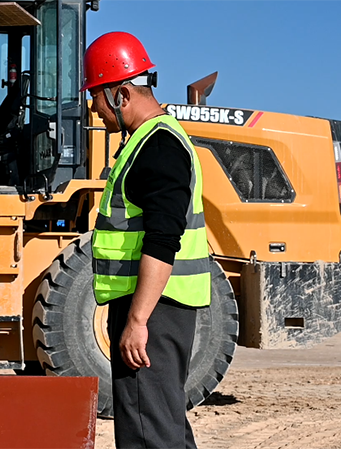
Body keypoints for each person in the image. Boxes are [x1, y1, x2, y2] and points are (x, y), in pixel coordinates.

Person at [81, 32, 211, 449]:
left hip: (154, 308)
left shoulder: (157, 147)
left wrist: (137, 322)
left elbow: (162, 240)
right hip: (156, 305)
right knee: (161, 423)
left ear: (120, 94)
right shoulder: (151, 141)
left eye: (96, 97)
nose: (94, 109)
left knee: (147, 432)